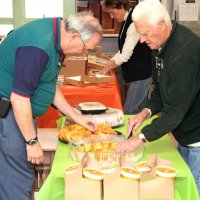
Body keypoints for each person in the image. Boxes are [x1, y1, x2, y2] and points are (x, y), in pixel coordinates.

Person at [0, 11, 102, 200]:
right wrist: (32, 141)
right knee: (17, 179)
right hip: (9, 115)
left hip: (14, 113)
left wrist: (77, 117)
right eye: (85, 48)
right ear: (74, 36)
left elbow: (49, 84)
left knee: (13, 178)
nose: (83, 53)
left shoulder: (55, 34)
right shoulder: (37, 47)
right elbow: (19, 99)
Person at [116, 0, 200, 194]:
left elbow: (174, 111)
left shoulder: (185, 53)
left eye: (145, 33)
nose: (142, 40)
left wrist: (140, 138)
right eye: (140, 34)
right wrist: (144, 112)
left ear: (162, 24)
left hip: (196, 136)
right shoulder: (159, 44)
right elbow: (160, 91)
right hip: (183, 133)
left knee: (193, 191)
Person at [100, 0, 152, 114]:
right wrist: (110, 61)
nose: (111, 17)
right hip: (140, 73)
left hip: (141, 74)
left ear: (122, 7)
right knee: (141, 109)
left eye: (112, 13)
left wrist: (106, 68)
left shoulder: (133, 23)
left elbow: (125, 55)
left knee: (129, 111)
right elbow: (123, 50)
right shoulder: (126, 21)